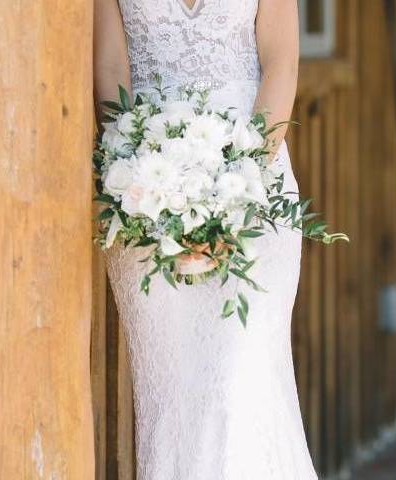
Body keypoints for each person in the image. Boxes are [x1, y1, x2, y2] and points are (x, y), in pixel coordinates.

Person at [93, 0, 318, 478]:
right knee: (174, 403)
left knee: (239, 385)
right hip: (146, 192)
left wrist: (237, 193)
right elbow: (111, 64)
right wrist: (139, 178)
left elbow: (282, 63)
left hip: (253, 189)